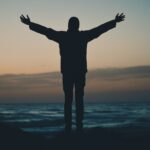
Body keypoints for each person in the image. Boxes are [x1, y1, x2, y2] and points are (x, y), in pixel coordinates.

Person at [20, 13, 125, 133]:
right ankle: (78, 126)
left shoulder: (63, 36)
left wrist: (30, 24)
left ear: (69, 25)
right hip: (79, 72)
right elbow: (99, 30)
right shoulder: (82, 36)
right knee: (78, 99)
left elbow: (45, 31)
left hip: (68, 72)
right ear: (77, 25)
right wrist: (113, 21)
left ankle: (69, 127)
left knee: (69, 100)